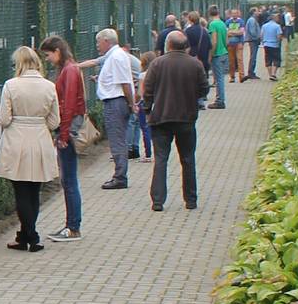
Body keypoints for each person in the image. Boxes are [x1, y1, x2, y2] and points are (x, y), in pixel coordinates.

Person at [0, 46, 60, 251]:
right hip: (40, 138)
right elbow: (55, 121)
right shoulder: (49, 86)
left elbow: (4, 118)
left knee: (20, 189)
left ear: (19, 63)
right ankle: (26, 235)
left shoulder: (11, 85)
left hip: (16, 140)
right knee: (34, 190)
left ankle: (31, 236)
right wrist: (39, 124)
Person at [142, 29, 209, 211]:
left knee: (161, 159)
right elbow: (204, 89)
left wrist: (148, 110)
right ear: (185, 46)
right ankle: (191, 200)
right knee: (188, 159)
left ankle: (157, 201)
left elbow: (147, 91)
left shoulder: (157, 64)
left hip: (161, 118)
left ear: (168, 45)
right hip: (186, 119)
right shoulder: (195, 65)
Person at [39, 34, 85, 241]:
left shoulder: (69, 71)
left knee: (69, 179)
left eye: (48, 55)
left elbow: (68, 104)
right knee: (68, 179)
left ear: (57, 51)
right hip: (69, 126)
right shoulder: (71, 69)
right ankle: (71, 225)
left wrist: (63, 134)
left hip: (68, 128)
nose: (47, 59)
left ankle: (73, 227)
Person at [93, 27, 136, 189]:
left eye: (98, 41)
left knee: (117, 140)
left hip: (115, 102)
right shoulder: (114, 56)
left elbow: (124, 82)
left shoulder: (116, 57)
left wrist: (132, 104)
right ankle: (120, 174)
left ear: (106, 41)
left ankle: (120, 177)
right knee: (118, 139)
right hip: (116, 100)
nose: (97, 45)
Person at [205, 6, 229, 109]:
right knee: (221, 77)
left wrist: (210, 55)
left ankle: (220, 101)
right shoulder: (223, 24)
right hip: (224, 52)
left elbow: (213, 41)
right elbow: (227, 41)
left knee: (218, 79)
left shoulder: (212, 24)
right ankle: (220, 99)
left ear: (209, 14)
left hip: (217, 54)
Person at [260, 9, 283, 80]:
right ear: (275, 18)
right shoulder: (277, 26)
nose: (278, 19)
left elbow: (261, 35)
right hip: (275, 45)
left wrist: (263, 42)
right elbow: (279, 36)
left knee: (268, 59)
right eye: (277, 18)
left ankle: (269, 74)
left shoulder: (264, 26)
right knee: (276, 59)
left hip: (266, 45)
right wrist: (279, 42)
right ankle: (274, 74)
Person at [226, 9, 245, 83]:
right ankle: (232, 77)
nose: (234, 15)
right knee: (231, 61)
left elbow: (241, 32)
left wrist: (231, 32)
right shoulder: (228, 22)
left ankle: (242, 76)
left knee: (240, 60)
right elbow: (226, 33)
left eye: (235, 13)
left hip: (239, 43)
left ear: (238, 14)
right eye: (233, 13)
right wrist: (236, 32)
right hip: (230, 43)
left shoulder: (241, 21)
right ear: (231, 14)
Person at [244, 7, 262, 79]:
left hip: (253, 40)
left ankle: (251, 72)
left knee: (253, 56)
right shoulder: (252, 20)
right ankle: (251, 72)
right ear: (254, 12)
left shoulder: (253, 20)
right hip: (253, 41)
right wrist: (258, 37)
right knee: (253, 56)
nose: (259, 12)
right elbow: (252, 32)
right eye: (257, 11)